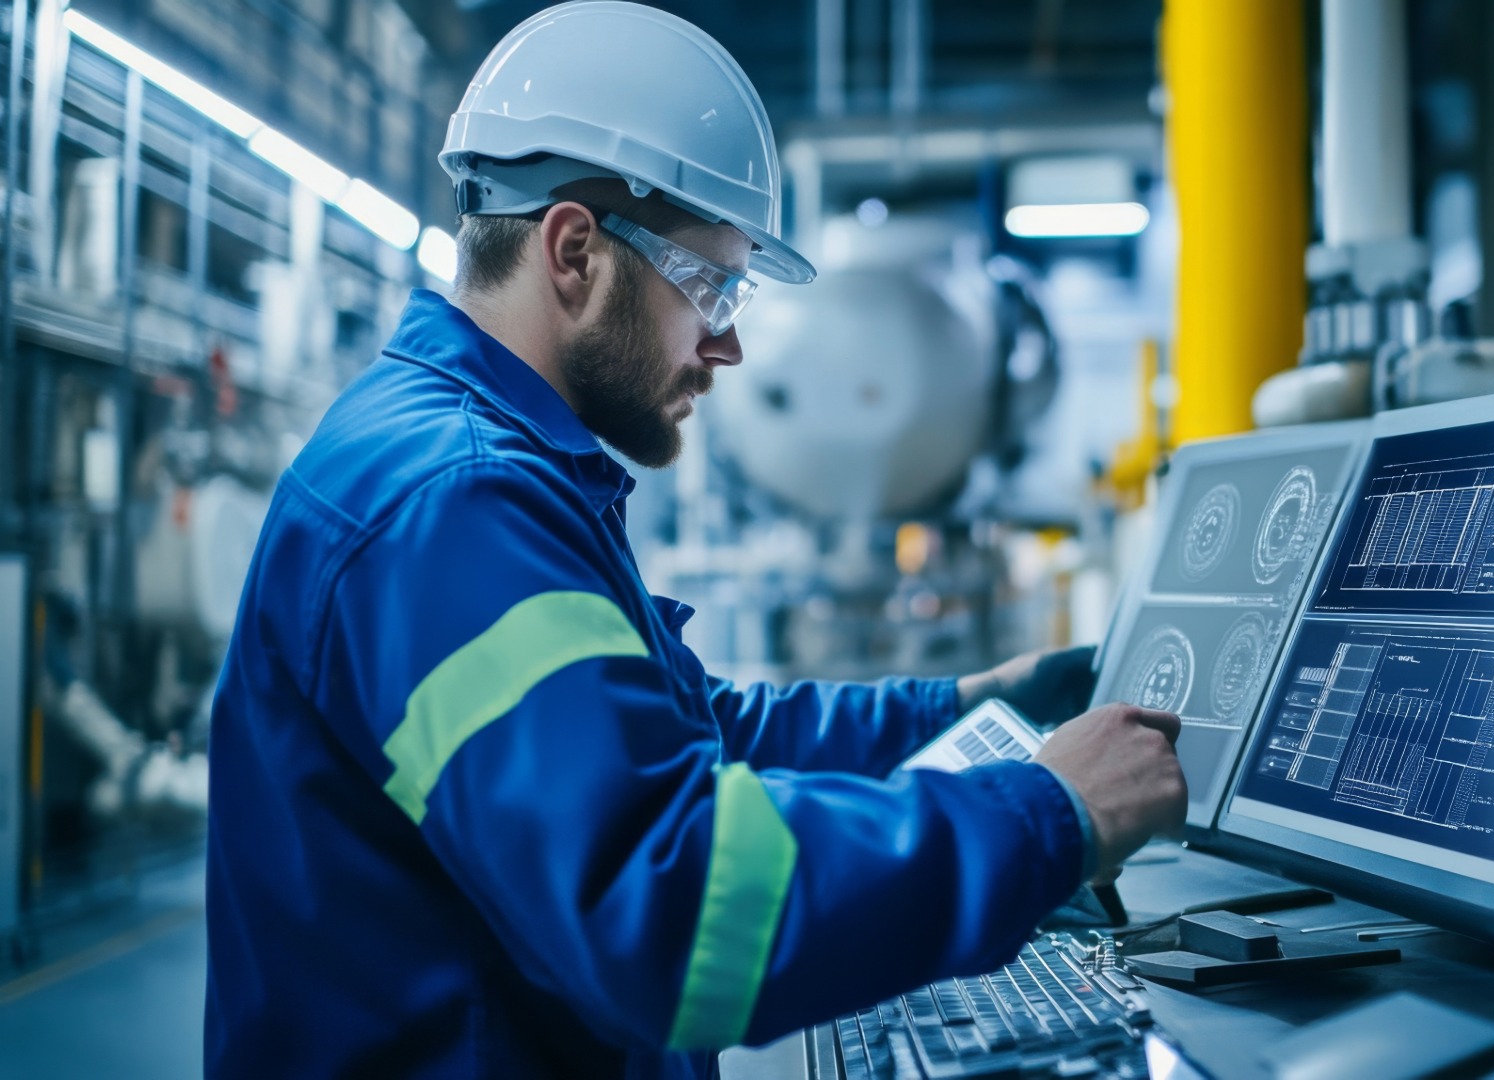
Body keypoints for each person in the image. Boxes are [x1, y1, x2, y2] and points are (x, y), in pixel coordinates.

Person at [202, 3, 1186, 1077]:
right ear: (574, 250)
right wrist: (1048, 817)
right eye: (711, 285)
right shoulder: (455, 500)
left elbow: (684, 733)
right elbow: (662, 914)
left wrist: (964, 706)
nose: (727, 344)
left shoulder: (488, 464)